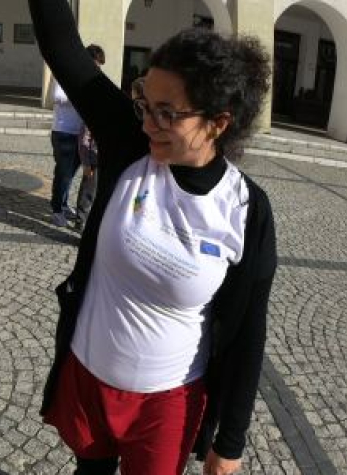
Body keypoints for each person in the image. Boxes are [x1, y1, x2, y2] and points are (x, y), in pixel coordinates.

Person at [30, 2, 278, 474]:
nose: (148, 123)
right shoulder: (129, 144)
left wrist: (230, 441)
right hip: (89, 376)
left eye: (167, 114)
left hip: (167, 402)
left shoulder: (247, 210)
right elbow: (62, 46)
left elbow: (248, 331)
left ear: (218, 122)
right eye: (145, 103)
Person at [48, 45, 104, 228]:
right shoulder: (65, 73)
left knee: (70, 175)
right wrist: (82, 95)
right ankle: (56, 210)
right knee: (63, 174)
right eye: (95, 65)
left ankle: (63, 205)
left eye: (99, 66)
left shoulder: (89, 78)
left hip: (79, 135)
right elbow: (56, 97)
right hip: (63, 132)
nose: (97, 69)